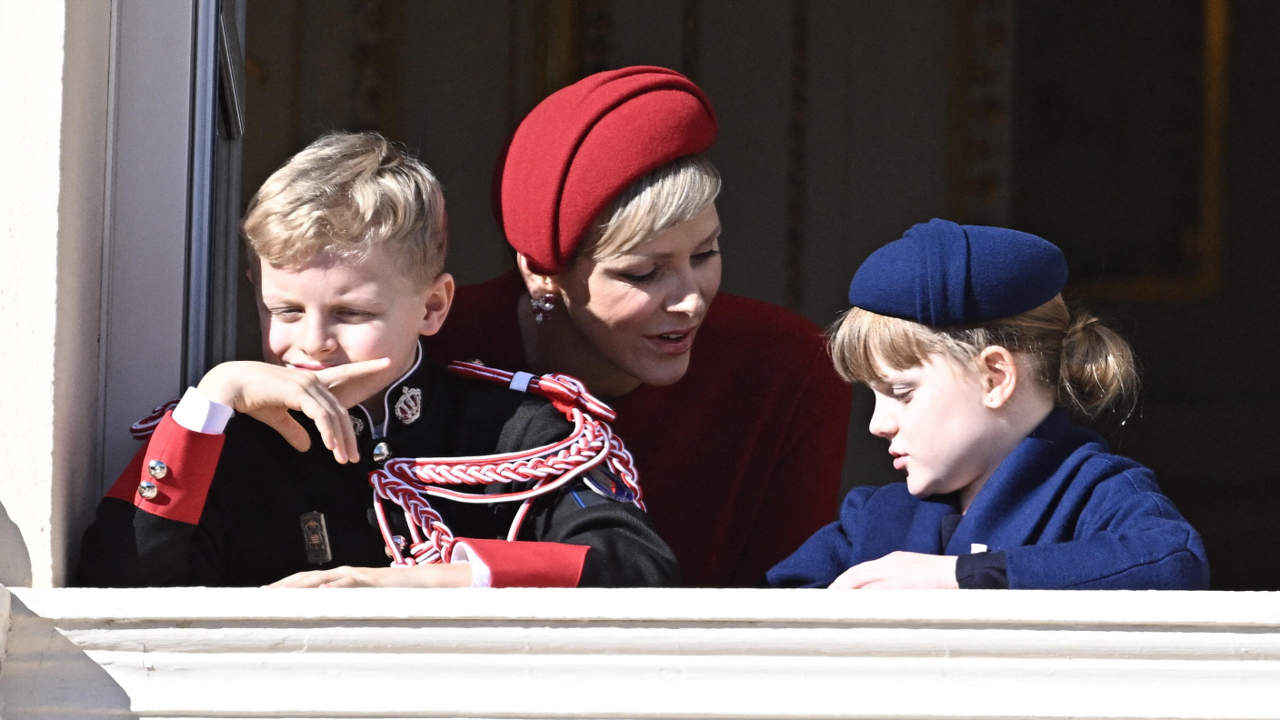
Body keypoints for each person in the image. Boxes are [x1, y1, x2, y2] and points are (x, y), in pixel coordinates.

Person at [78, 131, 677, 589]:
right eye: (285, 311)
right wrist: (213, 396)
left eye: (351, 314)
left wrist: (417, 583)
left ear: (434, 307)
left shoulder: (518, 433)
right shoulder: (227, 442)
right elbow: (113, 583)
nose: (312, 344)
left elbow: (637, 570)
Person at [426, 66, 852, 587]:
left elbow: (791, 600)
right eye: (643, 273)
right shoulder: (430, 346)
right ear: (540, 271)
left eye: (706, 253)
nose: (692, 300)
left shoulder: (784, 364)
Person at [767, 218, 1209, 590]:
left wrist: (960, 577)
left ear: (994, 377)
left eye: (901, 393)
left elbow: (1173, 560)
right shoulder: (874, 519)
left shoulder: (1096, 495)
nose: (878, 424)